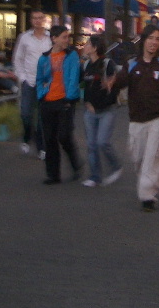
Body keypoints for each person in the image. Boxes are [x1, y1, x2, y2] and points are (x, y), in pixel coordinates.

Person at [113, 24, 159, 212]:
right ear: (143, 40)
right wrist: (110, 82)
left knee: (153, 156)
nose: (154, 42)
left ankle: (147, 196)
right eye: (151, 38)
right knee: (139, 157)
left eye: (157, 39)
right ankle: (147, 184)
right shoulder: (132, 64)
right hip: (136, 118)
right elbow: (119, 81)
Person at [35, 25, 82, 184]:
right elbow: (40, 79)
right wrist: (41, 95)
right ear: (54, 38)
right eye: (64, 37)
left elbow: (74, 77)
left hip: (64, 101)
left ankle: (75, 163)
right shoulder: (44, 58)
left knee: (63, 135)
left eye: (67, 37)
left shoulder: (71, 56)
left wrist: (69, 98)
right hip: (47, 101)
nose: (66, 40)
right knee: (49, 139)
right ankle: (53, 174)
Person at [80, 34, 122, 187]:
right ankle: (95, 176)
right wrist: (86, 102)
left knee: (102, 142)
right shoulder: (86, 65)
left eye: (87, 44)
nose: (85, 46)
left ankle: (116, 166)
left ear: (95, 47)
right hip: (90, 111)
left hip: (107, 110)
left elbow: (114, 87)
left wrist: (108, 89)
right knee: (91, 144)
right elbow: (84, 86)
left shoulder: (107, 64)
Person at [12, 10, 52, 158]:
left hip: (45, 84)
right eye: (35, 18)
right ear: (31, 20)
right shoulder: (24, 38)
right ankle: (26, 137)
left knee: (42, 117)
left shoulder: (50, 38)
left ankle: (41, 147)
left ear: (44, 19)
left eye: (40, 18)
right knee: (26, 114)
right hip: (28, 81)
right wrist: (22, 78)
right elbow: (17, 59)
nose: (37, 20)